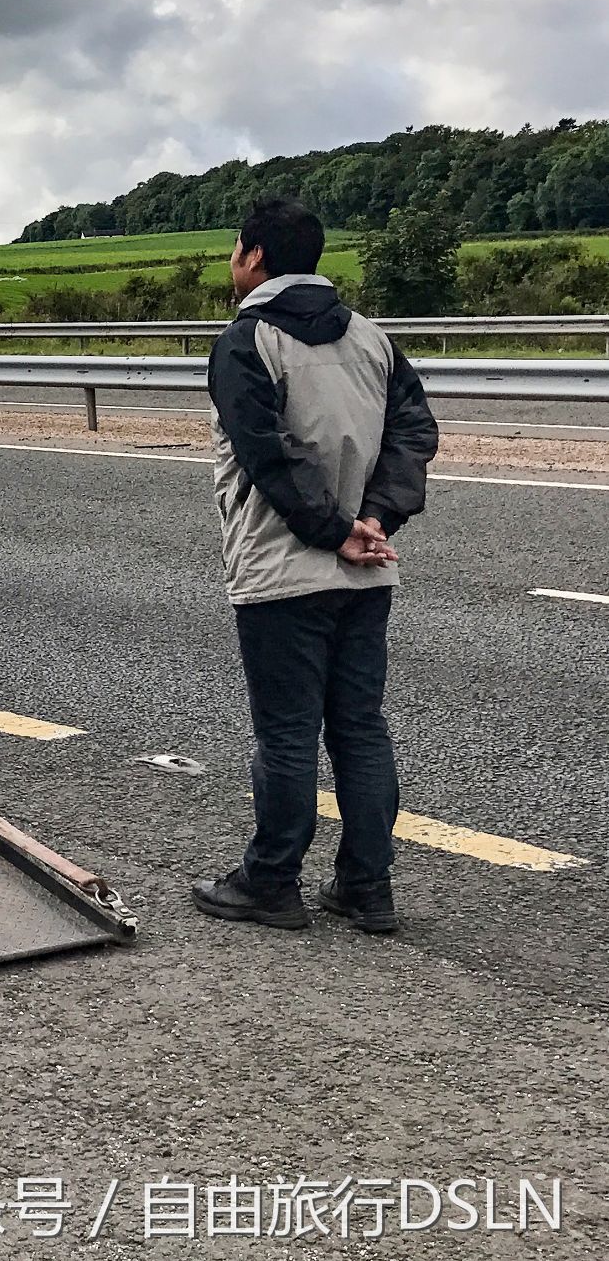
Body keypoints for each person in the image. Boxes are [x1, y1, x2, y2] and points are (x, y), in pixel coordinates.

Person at [192, 195, 438, 934]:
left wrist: (334, 532)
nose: (232, 262)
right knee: (359, 727)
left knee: (288, 733)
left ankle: (271, 881)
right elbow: (414, 432)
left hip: (282, 572)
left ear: (255, 256)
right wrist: (376, 519)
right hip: (368, 568)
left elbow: (267, 455)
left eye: (236, 250)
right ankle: (367, 885)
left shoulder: (246, 341)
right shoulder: (372, 338)